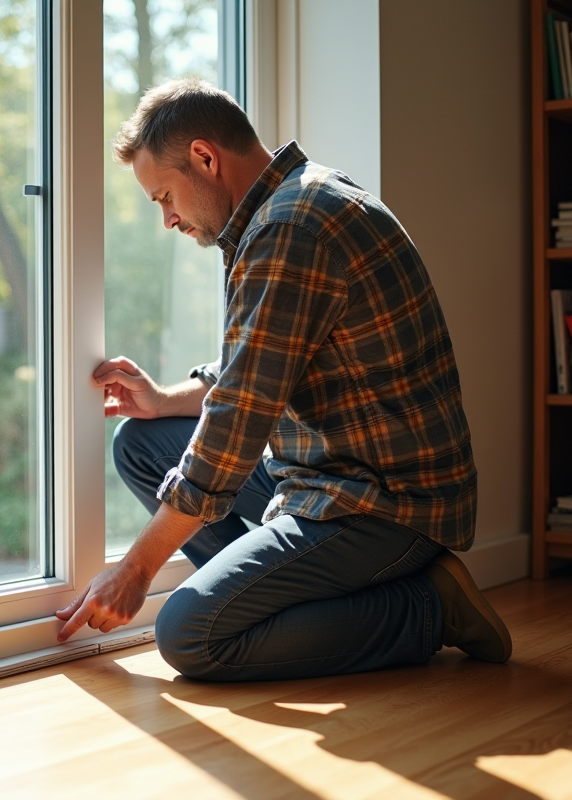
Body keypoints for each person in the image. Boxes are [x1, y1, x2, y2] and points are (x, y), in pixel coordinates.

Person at [54, 78, 511, 681]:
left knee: (190, 634)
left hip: (385, 502)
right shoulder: (292, 203)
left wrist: (135, 569)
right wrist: (163, 400)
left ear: (205, 158)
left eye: (165, 196)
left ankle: (428, 607)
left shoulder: (291, 226)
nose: (167, 219)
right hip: (323, 471)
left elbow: (238, 420)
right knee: (142, 443)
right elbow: (258, 370)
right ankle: (277, 602)